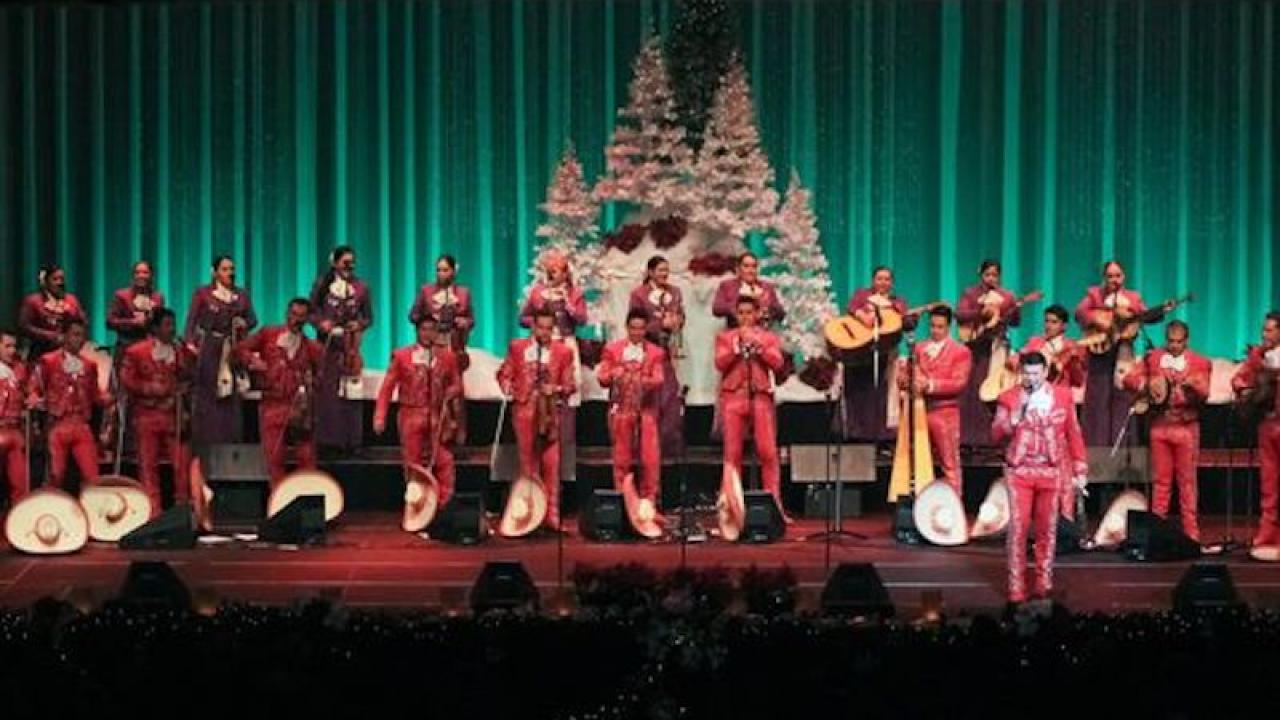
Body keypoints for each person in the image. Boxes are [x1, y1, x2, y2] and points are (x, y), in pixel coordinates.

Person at [991, 351, 1089, 605]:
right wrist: (1013, 419)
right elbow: (994, 436)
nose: (1031, 378)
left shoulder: (1063, 397)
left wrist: (1080, 469)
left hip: (1051, 470)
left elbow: (1073, 433)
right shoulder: (1009, 398)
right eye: (1027, 373)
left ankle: (1043, 583)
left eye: (1036, 373)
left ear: (1045, 373)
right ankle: (1016, 587)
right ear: (1021, 373)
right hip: (1019, 471)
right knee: (1019, 529)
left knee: (1048, 529)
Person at [1121, 321, 1211, 541]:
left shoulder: (1200, 361)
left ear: (1186, 341)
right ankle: (1157, 533)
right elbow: (1128, 379)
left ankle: (1191, 534)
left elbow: (1204, 393)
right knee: (1161, 483)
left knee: (1187, 484)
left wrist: (1192, 385)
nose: (1174, 346)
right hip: (1160, 426)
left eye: (1179, 342)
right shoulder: (1154, 358)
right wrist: (1148, 383)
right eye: (1170, 341)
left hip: (1186, 427)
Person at [1074, 261, 1169, 446]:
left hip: (1123, 353)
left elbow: (1145, 316)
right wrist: (1101, 318)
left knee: (1122, 395)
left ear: (1123, 277)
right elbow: (1079, 313)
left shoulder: (1133, 298)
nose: (1114, 280)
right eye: (1110, 276)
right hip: (1100, 352)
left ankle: (1120, 447)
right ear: (1104, 278)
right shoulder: (1094, 294)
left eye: (1117, 276)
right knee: (1098, 399)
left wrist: (1161, 311)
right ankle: (1096, 447)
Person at [497, 308, 575, 531]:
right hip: (524, 410)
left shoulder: (563, 352)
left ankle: (551, 517)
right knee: (528, 464)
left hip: (551, 414)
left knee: (552, 464)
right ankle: (529, 514)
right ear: (533, 327)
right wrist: (508, 386)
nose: (544, 332)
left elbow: (570, 385)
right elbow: (504, 373)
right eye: (541, 327)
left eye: (549, 329)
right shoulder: (518, 347)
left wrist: (557, 388)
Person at [374, 318, 463, 507]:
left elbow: (457, 383)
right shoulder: (402, 356)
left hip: (436, 415)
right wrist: (380, 416)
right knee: (413, 462)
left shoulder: (447, 357)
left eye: (432, 330)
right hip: (410, 414)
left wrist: (452, 391)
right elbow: (387, 387)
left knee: (443, 459)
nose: (428, 334)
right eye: (424, 329)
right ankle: (417, 505)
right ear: (417, 331)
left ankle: (443, 503)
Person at [234, 299, 322, 488]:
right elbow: (240, 349)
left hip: (298, 407)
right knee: (274, 459)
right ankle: (278, 505)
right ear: (287, 314)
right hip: (272, 405)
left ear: (307, 319)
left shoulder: (312, 347)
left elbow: (321, 377)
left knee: (306, 457)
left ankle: (307, 503)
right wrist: (253, 361)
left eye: (301, 316)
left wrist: (309, 387)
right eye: (293, 314)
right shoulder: (269, 334)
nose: (296, 320)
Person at [714, 296, 789, 521]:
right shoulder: (725, 337)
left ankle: (774, 507)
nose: (746, 317)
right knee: (732, 454)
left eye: (750, 312)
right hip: (733, 397)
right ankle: (730, 509)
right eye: (741, 313)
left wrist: (760, 348)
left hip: (760, 397)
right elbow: (719, 363)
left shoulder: (768, 337)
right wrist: (736, 349)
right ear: (736, 315)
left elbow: (778, 364)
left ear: (757, 314)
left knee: (768, 452)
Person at [120, 308, 196, 513]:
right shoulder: (136, 351)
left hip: (173, 414)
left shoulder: (180, 352)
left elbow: (189, 377)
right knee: (148, 466)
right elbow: (127, 380)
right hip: (146, 414)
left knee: (181, 464)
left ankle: (182, 510)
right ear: (156, 328)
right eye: (167, 325)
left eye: (173, 325)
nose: (172, 329)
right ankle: (153, 512)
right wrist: (150, 389)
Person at [26, 319, 112, 490]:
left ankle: (91, 511)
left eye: (82, 336)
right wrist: (34, 398)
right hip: (58, 424)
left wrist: (108, 398)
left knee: (92, 475)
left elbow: (96, 395)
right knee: (56, 474)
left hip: (81, 424)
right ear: (64, 336)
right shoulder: (48, 361)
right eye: (75, 335)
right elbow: (34, 387)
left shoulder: (89, 365)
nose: (79, 340)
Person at [597, 309, 666, 515]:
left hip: (646, 411)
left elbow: (659, 379)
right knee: (621, 458)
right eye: (633, 328)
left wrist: (636, 379)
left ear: (646, 330)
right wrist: (614, 373)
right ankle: (622, 500)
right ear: (627, 328)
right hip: (622, 410)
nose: (637, 332)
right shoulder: (613, 350)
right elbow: (602, 378)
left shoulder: (655, 352)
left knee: (650, 459)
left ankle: (649, 502)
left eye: (641, 328)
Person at [184, 255, 257, 446]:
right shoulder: (203, 293)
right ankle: (206, 439)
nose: (230, 273)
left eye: (232, 269)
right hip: (209, 348)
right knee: (208, 393)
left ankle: (230, 438)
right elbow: (191, 321)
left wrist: (244, 323)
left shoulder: (241, 295)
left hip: (232, 347)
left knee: (232, 395)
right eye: (225, 269)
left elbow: (253, 319)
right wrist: (190, 344)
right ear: (214, 272)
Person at [900, 306, 972, 494]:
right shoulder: (918, 348)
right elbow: (906, 378)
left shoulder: (960, 351)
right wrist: (903, 377)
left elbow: (959, 383)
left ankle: (954, 504)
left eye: (940, 327)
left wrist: (930, 385)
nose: (935, 330)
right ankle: (921, 504)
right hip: (918, 412)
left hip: (944, 413)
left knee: (949, 463)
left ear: (949, 327)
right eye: (932, 326)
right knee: (919, 460)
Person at [309, 246, 373, 453]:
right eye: (345, 262)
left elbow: (368, 317)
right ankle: (328, 441)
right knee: (328, 393)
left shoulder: (361, 287)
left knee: (352, 394)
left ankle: (352, 441)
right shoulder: (323, 284)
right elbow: (311, 312)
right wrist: (322, 324)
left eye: (352, 262)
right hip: (327, 347)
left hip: (350, 346)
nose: (349, 266)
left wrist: (359, 325)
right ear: (335, 263)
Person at [409, 254, 475, 444]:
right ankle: (433, 433)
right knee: (432, 388)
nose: (441, 273)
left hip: (455, 346)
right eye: (438, 269)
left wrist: (464, 322)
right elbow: (413, 315)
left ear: (454, 271)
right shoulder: (426, 291)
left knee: (456, 391)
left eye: (445, 269)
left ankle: (459, 435)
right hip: (433, 346)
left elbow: (472, 319)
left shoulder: (463, 293)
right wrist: (429, 321)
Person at [842, 266, 912, 441]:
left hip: (885, 353)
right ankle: (857, 434)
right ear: (873, 280)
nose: (883, 282)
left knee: (882, 395)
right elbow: (851, 306)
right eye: (879, 278)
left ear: (892, 283)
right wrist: (861, 315)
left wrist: (908, 319)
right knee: (861, 393)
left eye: (887, 279)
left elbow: (908, 323)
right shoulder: (863, 295)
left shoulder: (897, 302)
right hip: (861, 353)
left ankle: (880, 436)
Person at [955, 260, 1021, 446]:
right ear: (981, 274)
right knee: (973, 390)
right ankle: (969, 438)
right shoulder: (971, 294)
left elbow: (1016, 323)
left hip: (997, 348)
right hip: (976, 348)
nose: (991, 278)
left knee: (994, 390)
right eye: (987, 275)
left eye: (994, 275)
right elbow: (959, 314)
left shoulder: (1006, 295)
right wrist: (981, 312)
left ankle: (993, 438)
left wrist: (1014, 308)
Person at [628, 255, 686, 456]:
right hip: (646, 351)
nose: (664, 274)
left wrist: (677, 321)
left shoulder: (675, 292)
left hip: (667, 351)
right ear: (651, 272)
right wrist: (660, 325)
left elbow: (681, 316)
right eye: (661, 270)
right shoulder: (639, 294)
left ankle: (667, 446)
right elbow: (636, 324)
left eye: (666, 270)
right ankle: (643, 446)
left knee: (670, 396)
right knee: (648, 397)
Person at [1231, 312, 1280, 546]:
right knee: (1268, 483)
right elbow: (1239, 379)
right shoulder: (1257, 356)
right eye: (1263, 330)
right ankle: (1267, 532)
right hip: (1267, 425)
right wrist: (1245, 389)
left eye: (1269, 330)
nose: (1264, 334)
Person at [18, 263, 87, 361]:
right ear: (45, 282)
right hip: (40, 353)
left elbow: (82, 322)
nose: (60, 282)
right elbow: (24, 326)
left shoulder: (71, 300)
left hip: (68, 354)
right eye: (55, 279)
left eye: (62, 279)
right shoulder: (33, 301)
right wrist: (50, 336)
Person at [711, 252, 785, 329]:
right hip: (735, 333)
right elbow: (717, 309)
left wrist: (765, 308)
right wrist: (740, 303)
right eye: (746, 266)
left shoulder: (767, 287)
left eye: (754, 266)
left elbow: (780, 313)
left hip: (762, 334)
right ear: (738, 269)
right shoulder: (727, 285)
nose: (750, 270)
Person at [106, 260, 165, 352]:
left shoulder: (157, 298)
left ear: (151, 275)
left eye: (145, 272)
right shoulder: (121, 295)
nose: (141, 275)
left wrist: (151, 319)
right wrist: (133, 322)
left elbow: (161, 324)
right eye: (137, 273)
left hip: (151, 350)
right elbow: (110, 322)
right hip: (127, 347)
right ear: (133, 276)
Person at [0, 331, 30, 504]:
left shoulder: (19, 369)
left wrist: (31, 398)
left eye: (14, 346)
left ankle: (18, 521)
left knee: (20, 483)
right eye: (7, 346)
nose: (12, 350)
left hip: (14, 432)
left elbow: (28, 392)